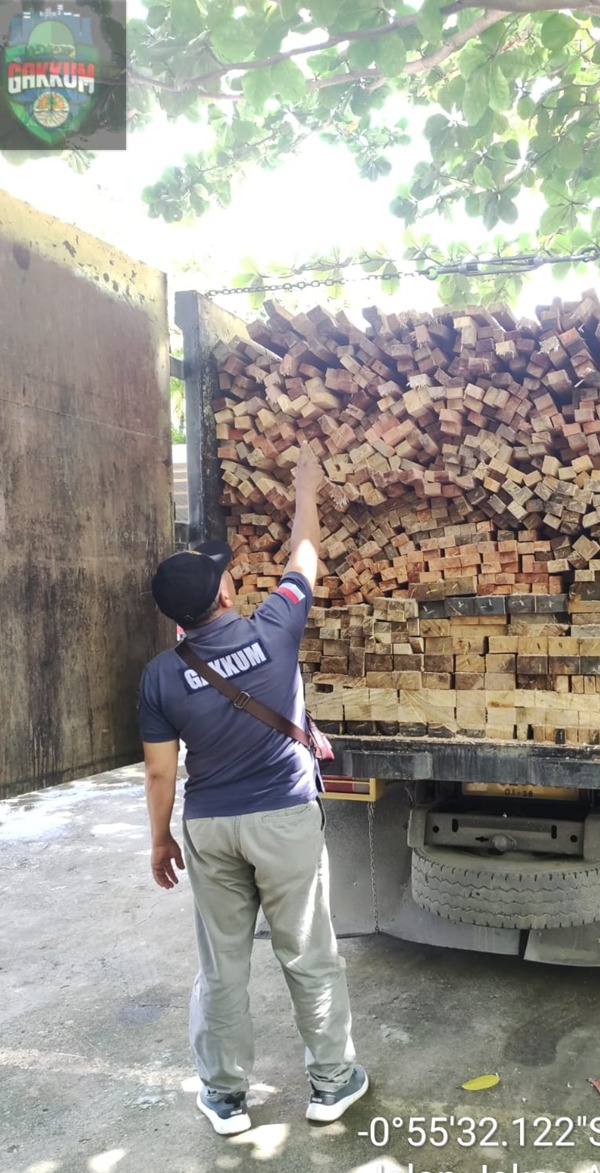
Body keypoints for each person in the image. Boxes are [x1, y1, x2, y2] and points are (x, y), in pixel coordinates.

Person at [137, 444, 367, 1135]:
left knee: (222, 965)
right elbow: (304, 558)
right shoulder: (275, 627)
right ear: (227, 595)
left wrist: (159, 839)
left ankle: (226, 1098)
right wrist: (305, 488)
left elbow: (159, 770)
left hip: (210, 827)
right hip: (286, 821)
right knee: (307, 950)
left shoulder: (160, 676)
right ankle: (331, 1084)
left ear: (176, 619)